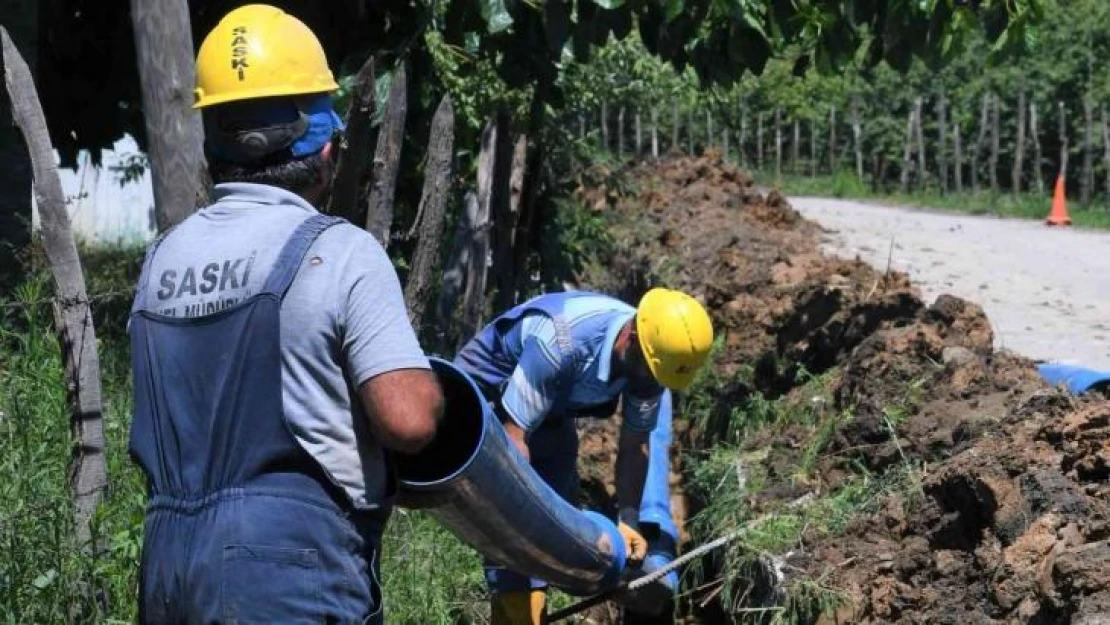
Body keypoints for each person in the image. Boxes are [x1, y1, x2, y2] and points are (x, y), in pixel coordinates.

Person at [127, 6, 443, 623]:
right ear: (323, 142)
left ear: (214, 135)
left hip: (167, 569)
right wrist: (434, 393)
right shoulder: (337, 251)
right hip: (288, 572)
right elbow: (407, 422)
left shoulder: (161, 261)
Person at [454, 288, 714, 624]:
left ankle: (533, 596)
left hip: (553, 409)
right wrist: (520, 535)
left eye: (657, 377)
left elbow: (637, 443)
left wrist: (629, 519)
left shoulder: (650, 364)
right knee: (517, 518)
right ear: (630, 337)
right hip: (485, 398)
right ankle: (512, 599)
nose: (650, 382)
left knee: (558, 490)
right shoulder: (562, 344)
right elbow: (513, 444)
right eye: (649, 371)